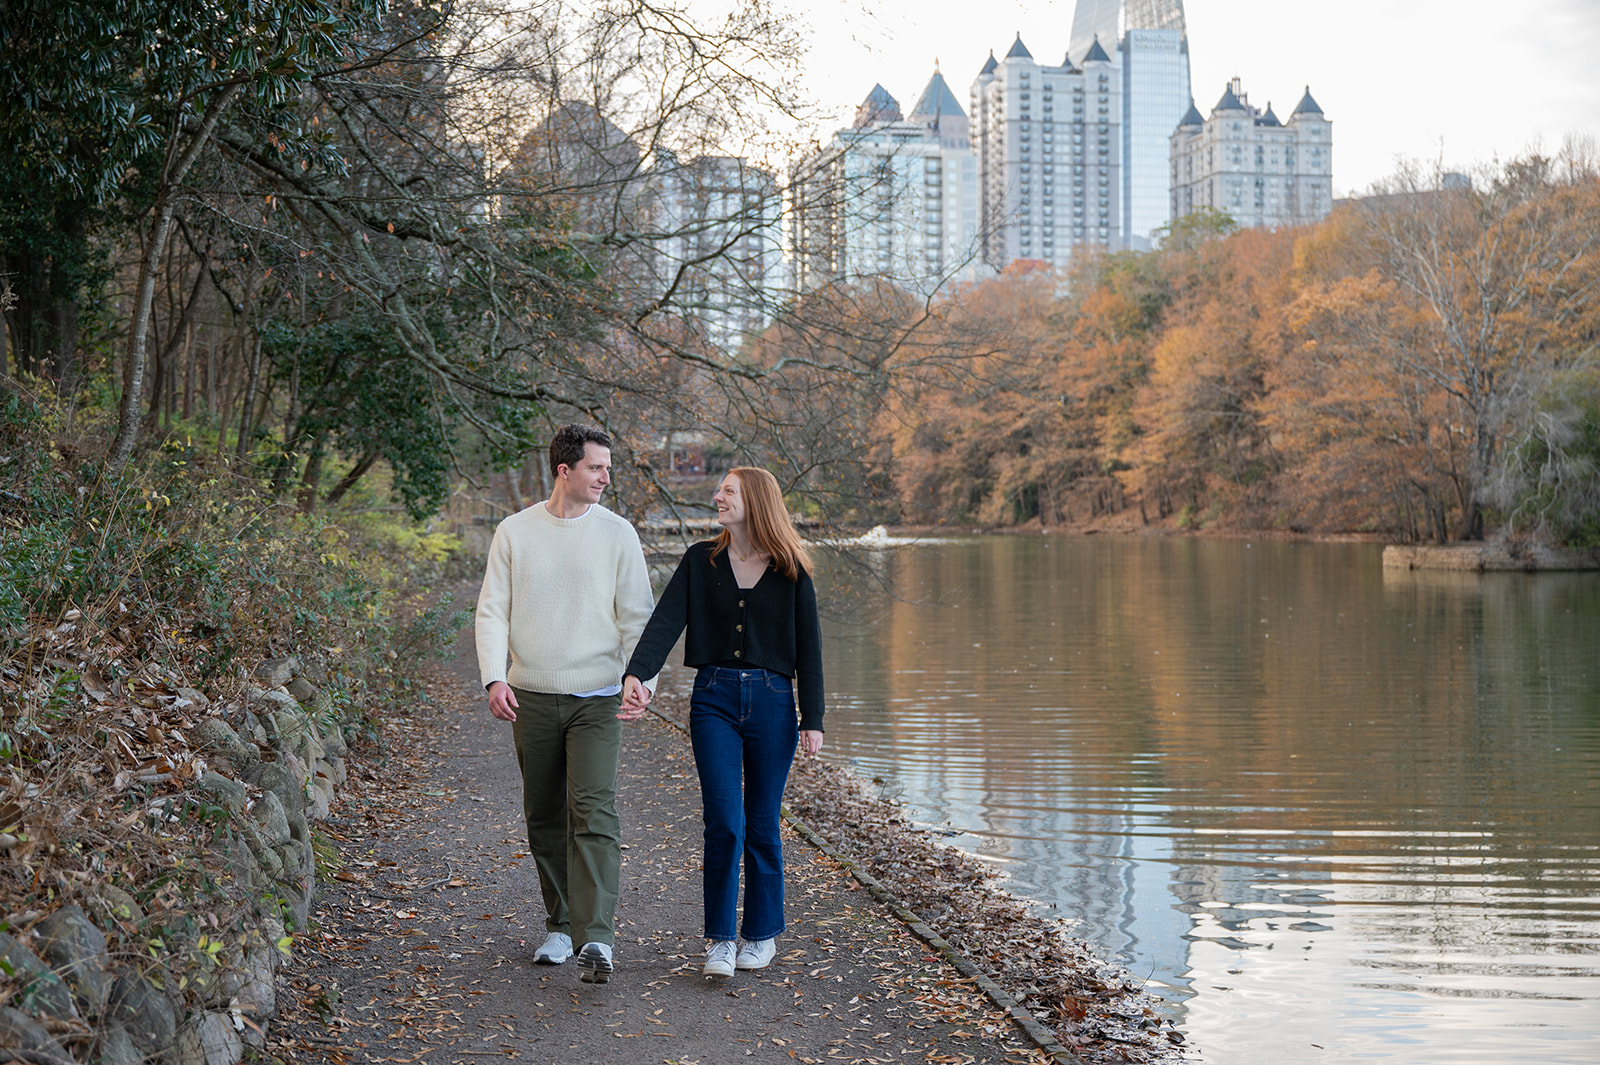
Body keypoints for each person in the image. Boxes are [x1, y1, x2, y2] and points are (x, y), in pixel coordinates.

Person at [620, 466, 824, 979]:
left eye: (727, 491)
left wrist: (813, 717)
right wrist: (638, 675)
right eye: (720, 491)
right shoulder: (699, 561)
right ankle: (721, 941)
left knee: (761, 823)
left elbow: (811, 651)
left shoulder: (792, 569)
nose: (717, 497)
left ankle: (761, 934)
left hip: (775, 703)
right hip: (712, 699)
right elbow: (665, 622)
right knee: (724, 823)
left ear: (754, 500)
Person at [475, 424, 657, 984]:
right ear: (565, 470)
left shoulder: (618, 533)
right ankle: (560, 923)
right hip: (530, 696)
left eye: (607, 468)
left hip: (598, 699)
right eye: (597, 467)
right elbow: (491, 612)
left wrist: (641, 679)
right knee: (544, 815)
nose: (606, 477)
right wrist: (493, 679)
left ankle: (596, 938)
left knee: (595, 812)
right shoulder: (515, 532)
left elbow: (638, 615)